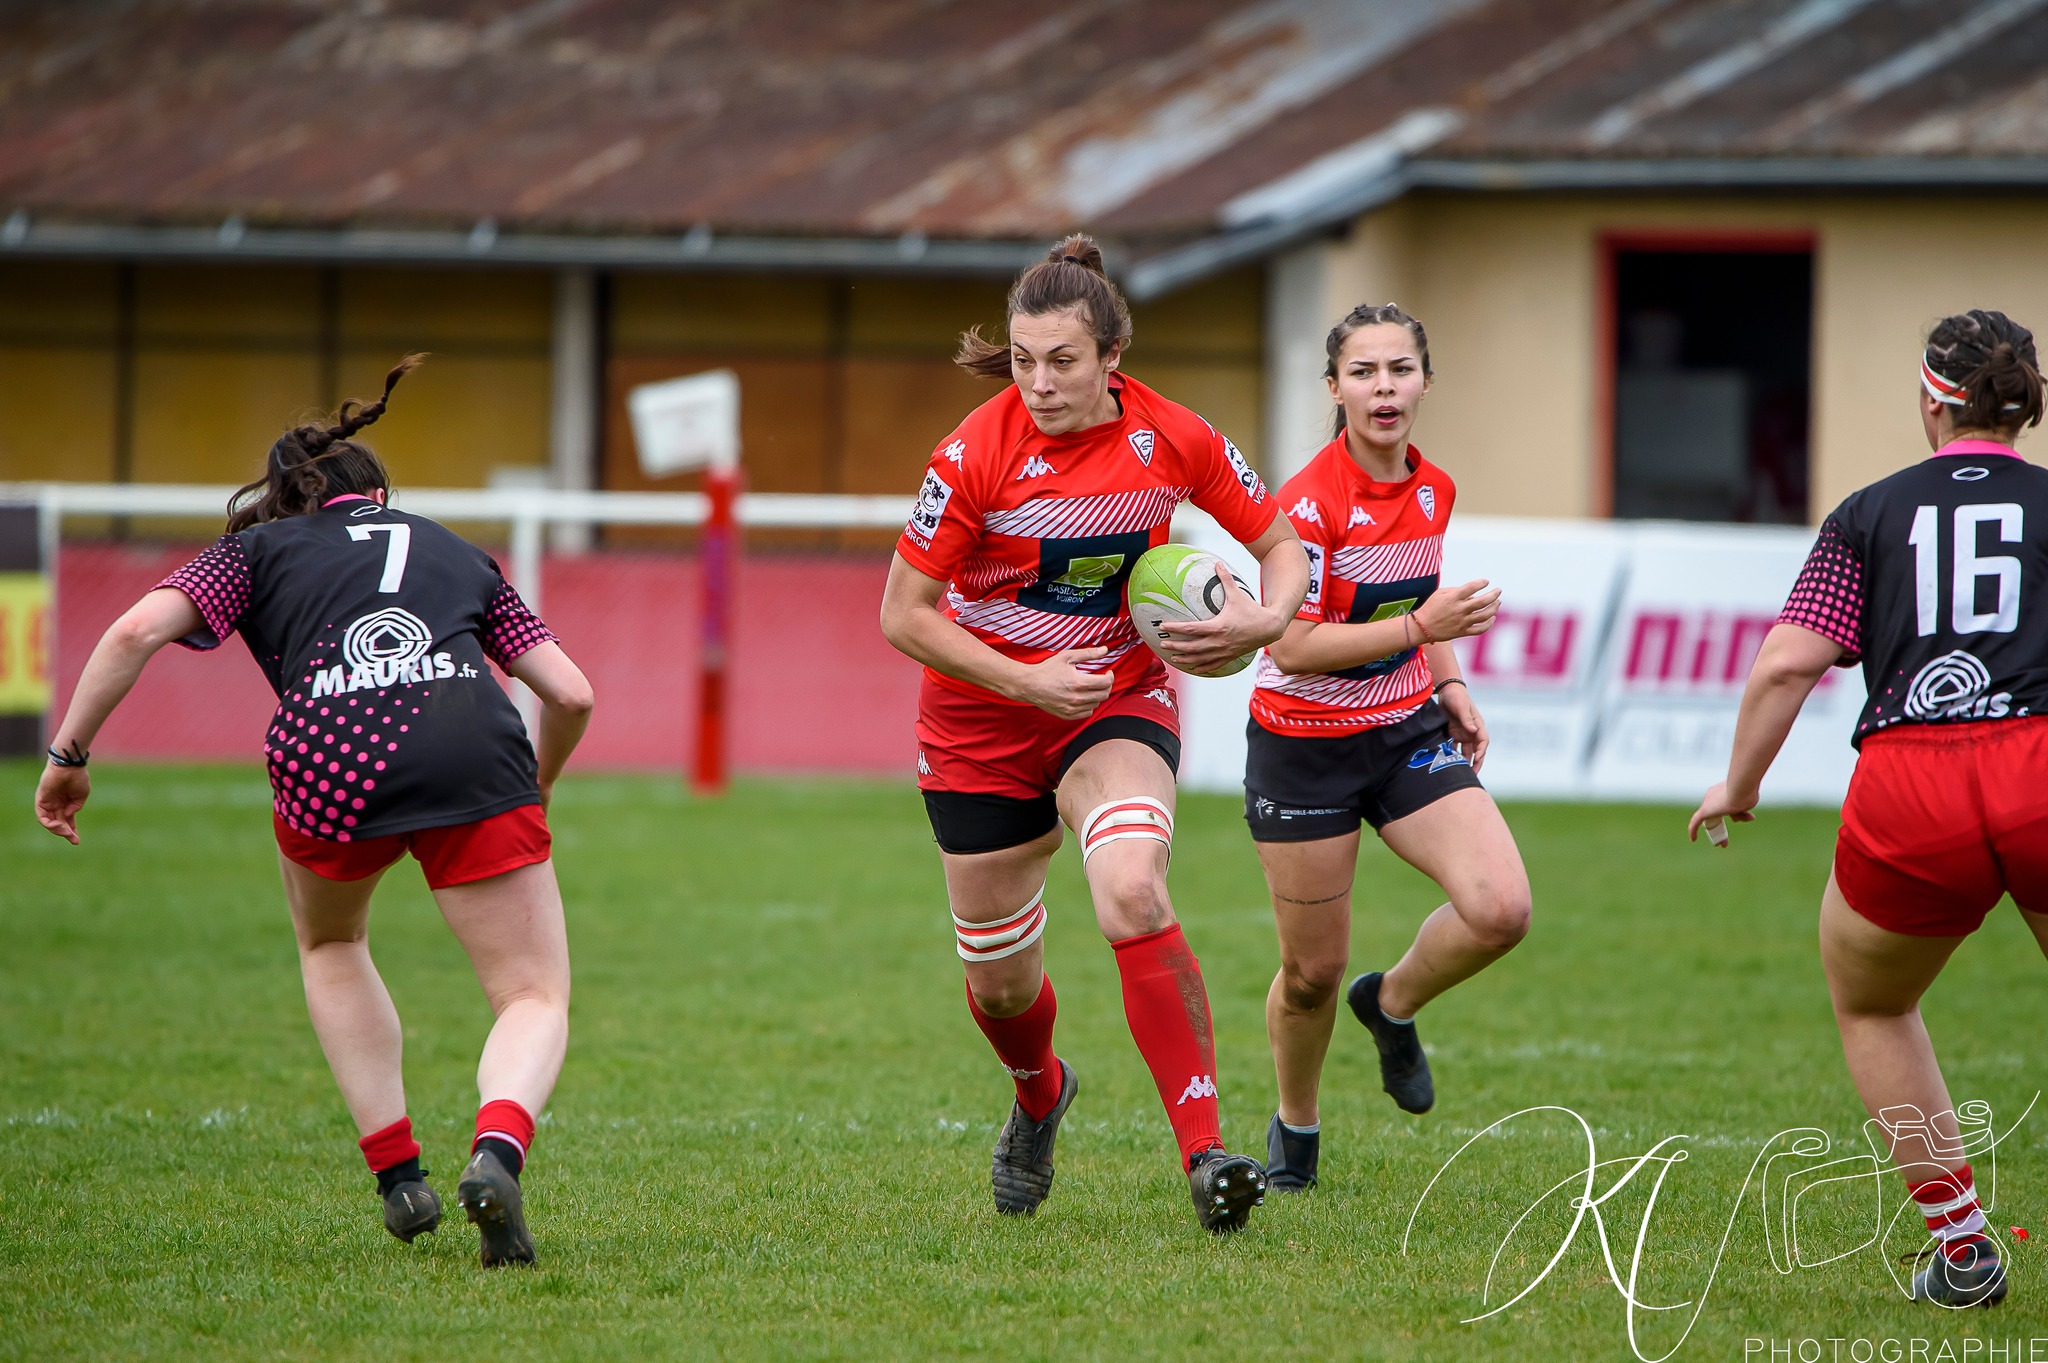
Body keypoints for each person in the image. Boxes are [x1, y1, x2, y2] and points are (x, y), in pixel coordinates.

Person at [34, 358, 594, 1269]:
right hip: (471, 747)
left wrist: (69, 755)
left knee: (333, 945)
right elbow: (571, 693)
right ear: (377, 493)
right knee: (531, 993)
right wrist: (533, 786)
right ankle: (495, 1153)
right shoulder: (455, 548)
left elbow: (136, 630)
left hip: (330, 759)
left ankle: (399, 1178)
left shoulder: (254, 550)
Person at [879, 235, 1311, 1233]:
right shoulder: (970, 453)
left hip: (1116, 698)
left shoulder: (1173, 436)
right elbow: (903, 613)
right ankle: (1038, 1094)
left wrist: (1260, 620)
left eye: (1061, 360)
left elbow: (1279, 545)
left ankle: (1205, 1155)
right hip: (980, 719)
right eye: (1023, 359)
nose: (1037, 381)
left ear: (1111, 354)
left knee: (1128, 886)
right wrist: (1024, 676)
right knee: (998, 990)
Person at [1692, 309, 2048, 1309]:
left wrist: (1739, 782)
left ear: (1931, 400)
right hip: (2041, 760)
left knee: (1874, 1001)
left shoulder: (1866, 512)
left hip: (1908, 779)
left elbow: (1784, 664)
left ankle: (1962, 1244)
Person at [1244, 304, 1530, 1192]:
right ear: (1333, 390)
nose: (1384, 388)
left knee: (1500, 909)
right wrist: (1422, 628)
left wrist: (1448, 680)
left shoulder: (1434, 486)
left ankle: (1392, 1002)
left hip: (1404, 730)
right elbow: (1289, 644)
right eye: (1363, 372)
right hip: (1304, 750)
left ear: (1425, 382)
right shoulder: (1304, 504)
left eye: (1399, 370)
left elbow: (1421, 594)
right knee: (1309, 973)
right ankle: (1296, 1126)